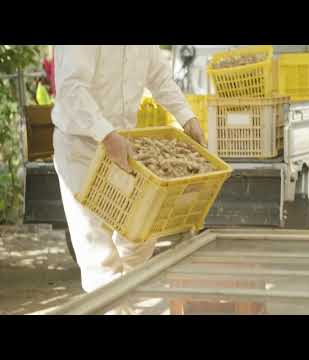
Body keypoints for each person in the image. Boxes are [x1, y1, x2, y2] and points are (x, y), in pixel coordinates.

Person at [51, 45, 206, 314]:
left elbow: (158, 76)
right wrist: (105, 134)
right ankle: (111, 307)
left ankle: (126, 305)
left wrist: (187, 117)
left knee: (140, 234)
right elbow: (71, 87)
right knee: (98, 252)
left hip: (123, 145)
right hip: (81, 148)